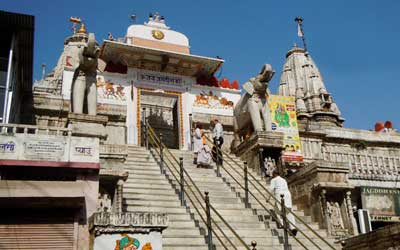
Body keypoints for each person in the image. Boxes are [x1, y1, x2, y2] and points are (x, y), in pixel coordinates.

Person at [269, 170, 297, 236]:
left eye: (273, 174)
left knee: (278, 210)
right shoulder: (283, 180)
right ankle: (293, 227)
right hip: (287, 195)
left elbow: (271, 189)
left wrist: (268, 198)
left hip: (279, 194)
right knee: (288, 211)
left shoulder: (274, 180)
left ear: (274, 174)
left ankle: (282, 224)